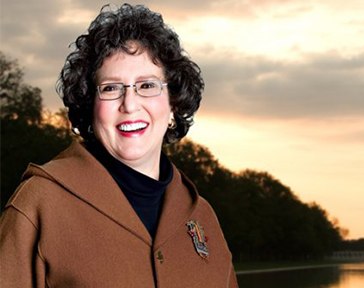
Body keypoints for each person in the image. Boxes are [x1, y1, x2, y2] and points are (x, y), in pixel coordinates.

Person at [0, 4, 238, 287]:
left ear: (173, 104)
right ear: (90, 106)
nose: (130, 104)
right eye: (111, 88)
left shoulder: (203, 217)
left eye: (147, 86)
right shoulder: (39, 203)